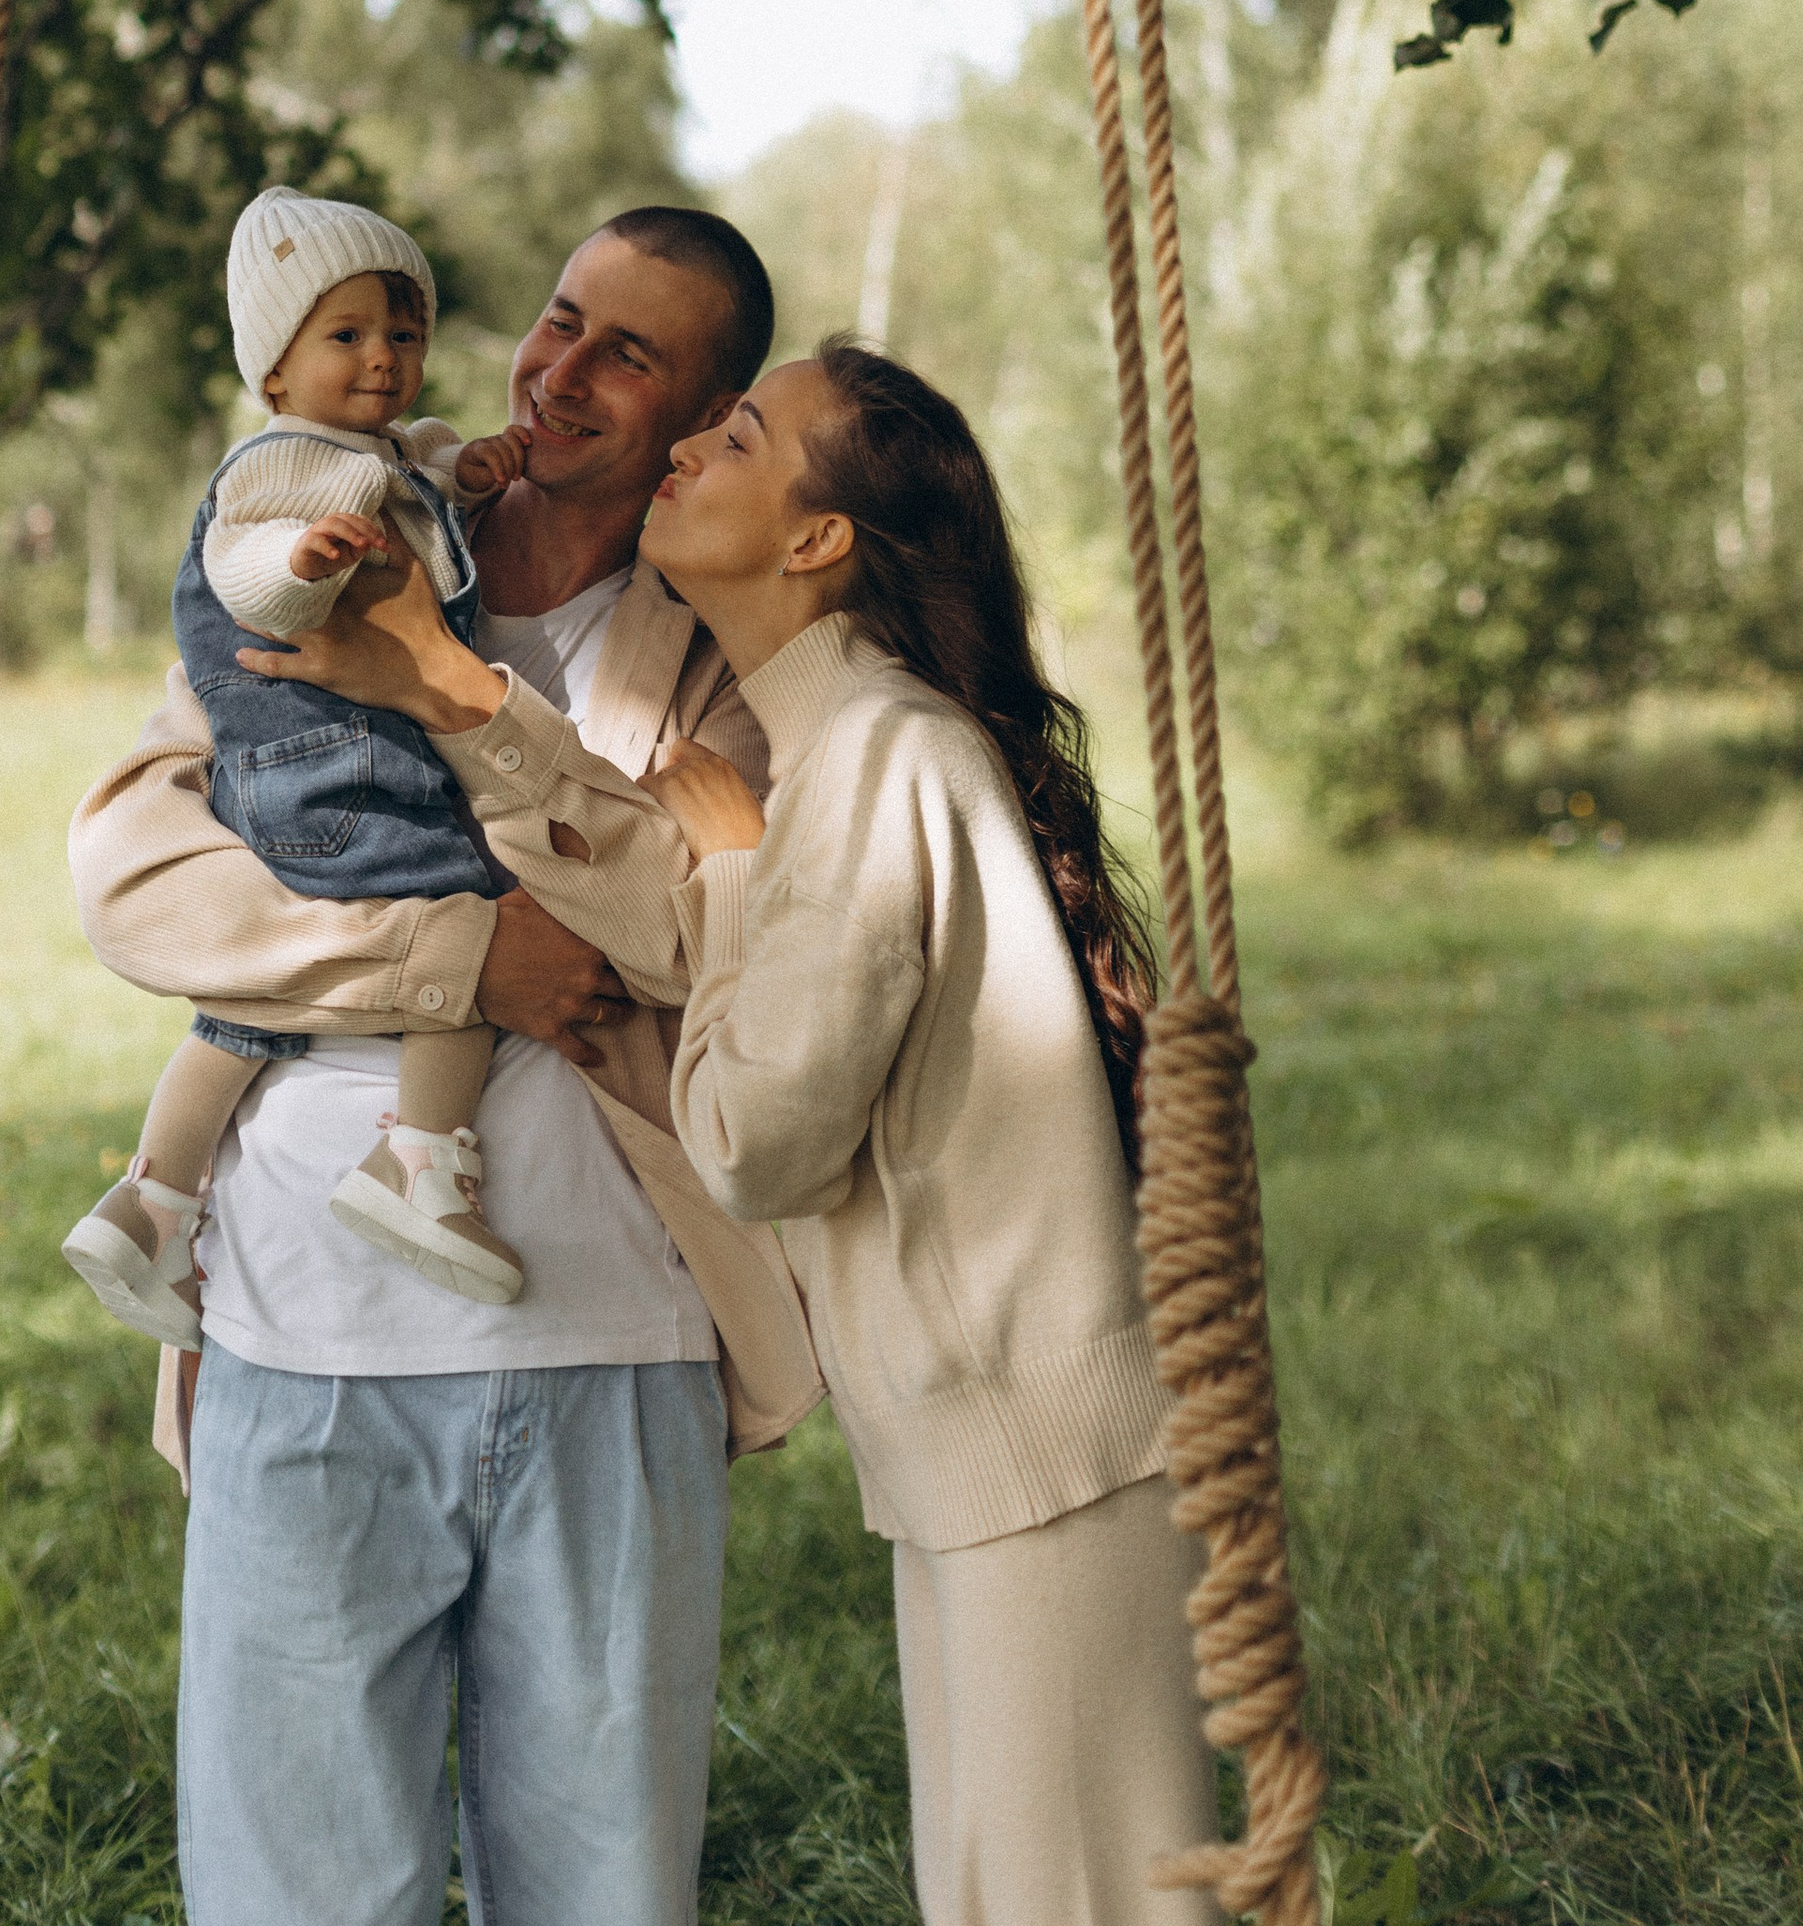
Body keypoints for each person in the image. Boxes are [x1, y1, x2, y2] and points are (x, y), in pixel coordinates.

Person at [265, 335, 1219, 1926]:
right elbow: (675, 914)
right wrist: (450, 693)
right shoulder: (829, 753)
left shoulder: (876, 762)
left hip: (1040, 1445)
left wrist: (727, 869)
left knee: (1073, 1897)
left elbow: (754, 1132)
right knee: (1009, 1889)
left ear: (816, 538)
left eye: (744, 433)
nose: (692, 445)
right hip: (995, 1442)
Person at [68, 207, 822, 1926]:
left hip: (615, 1348)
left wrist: (461, 693)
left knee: (603, 1889)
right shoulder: (331, 527)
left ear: (706, 413)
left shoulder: (738, 651)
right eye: (558, 320)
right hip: (300, 1327)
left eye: (627, 352)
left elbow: (715, 933)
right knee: (298, 1891)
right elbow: (137, 873)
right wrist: (465, 955)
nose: (558, 371)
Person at [62, 186, 538, 1334]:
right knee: (469, 929)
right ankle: (419, 1167)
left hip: (289, 782)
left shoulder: (369, 452)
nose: (384, 357)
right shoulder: (279, 475)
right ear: (274, 369)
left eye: (403, 332)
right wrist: (305, 566)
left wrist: (471, 473)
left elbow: (422, 467)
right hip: (340, 766)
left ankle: (151, 1202)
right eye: (347, 335)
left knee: (246, 1009)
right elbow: (251, 572)